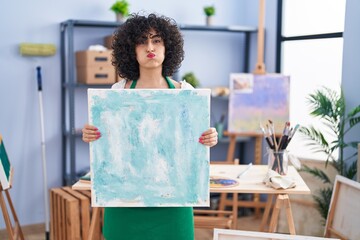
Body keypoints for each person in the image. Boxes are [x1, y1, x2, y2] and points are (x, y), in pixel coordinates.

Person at [82, 13, 218, 240]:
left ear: (167, 47)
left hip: (174, 202)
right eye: (142, 41)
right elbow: (108, 145)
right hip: (124, 202)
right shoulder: (118, 93)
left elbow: (193, 145)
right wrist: (91, 134)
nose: (149, 47)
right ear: (131, 50)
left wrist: (209, 137)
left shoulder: (186, 93)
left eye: (156, 40)